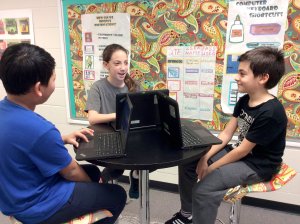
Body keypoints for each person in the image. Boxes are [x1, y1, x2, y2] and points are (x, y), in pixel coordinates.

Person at [0, 43, 127, 224]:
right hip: (39, 206)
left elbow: (21, 143)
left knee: (91, 170)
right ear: (38, 88)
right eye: (53, 79)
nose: (54, 82)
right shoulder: (41, 129)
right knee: (116, 194)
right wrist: (96, 189)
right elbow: (72, 172)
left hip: (14, 196)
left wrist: (62, 138)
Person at [165, 46, 287, 224]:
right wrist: (204, 157)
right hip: (241, 155)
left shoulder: (271, 112)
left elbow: (242, 151)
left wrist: (211, 168)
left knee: (203, 190)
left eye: (242, 73)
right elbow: (226, 134)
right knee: (188, 159)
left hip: (259, 165)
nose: (237, 78)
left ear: (263, 78)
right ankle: (187, 214)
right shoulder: (244, 100)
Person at [85, 43, 140, 199]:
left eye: (125, 63)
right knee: (117, 166)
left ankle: (136, 175)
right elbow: (93, 118)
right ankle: (104, 181)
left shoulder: (134, 86)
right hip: (108, 135)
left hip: (130, 134)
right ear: (106, 65)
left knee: (150, 159)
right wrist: (120, 114)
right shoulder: (98, 87)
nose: (123, 68)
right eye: (117, 63)